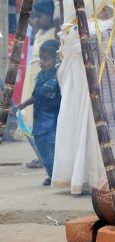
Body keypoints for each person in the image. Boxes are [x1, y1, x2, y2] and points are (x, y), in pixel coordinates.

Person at [52, 0, 115, 194]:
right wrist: (80, 34)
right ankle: (84, 176)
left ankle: (104, 174)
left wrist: (104, 34)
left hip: (102, 51)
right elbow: (61, 19)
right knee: (79, 110)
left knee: (100, 112)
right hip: (78, 50)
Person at [18, 0, 56, 168]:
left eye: (40, 16)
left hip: (46, 80)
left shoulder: (55, 31)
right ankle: (39, 155)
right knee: (30, 116)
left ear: (50, 15)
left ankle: (46, 156)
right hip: (33, 76)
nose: (37, 20)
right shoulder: (39, 32)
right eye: (35, 17)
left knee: (42, 119)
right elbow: (31, 22)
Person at [18, 40, 61, 186]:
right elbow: (35, 96)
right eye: (41, 58)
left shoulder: (58, 78)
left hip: (52, 123)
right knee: (42, 151)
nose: (42, 62)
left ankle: (56, 175)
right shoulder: (40, 76)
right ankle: (50, 174)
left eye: (46, 59)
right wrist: (24, 103)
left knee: (52, 151)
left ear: (56, 59)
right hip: (39, 123)